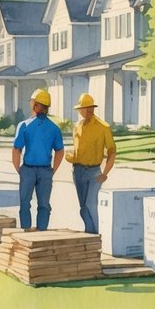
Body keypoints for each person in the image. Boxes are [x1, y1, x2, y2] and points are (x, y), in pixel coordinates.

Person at [12, 88, 64, 231]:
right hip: (46, 170)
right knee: (44, 204)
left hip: (27, 169)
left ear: (34, 105)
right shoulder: (54, 128)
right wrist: (53, 170)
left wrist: (18, 169)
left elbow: (16, 150)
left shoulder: (24, 125)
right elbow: (60, 151)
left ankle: (26, 231)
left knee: (24, 203)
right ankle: (41, 232)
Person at [66, 93, 116, 234]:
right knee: (83, 207)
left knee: (90, 204)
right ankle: (90, 233)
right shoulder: (77, 126)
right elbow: (78, 151)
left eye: (91, 108)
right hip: (78, 171)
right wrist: (70, 157)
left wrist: (105, 173)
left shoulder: (103, 127)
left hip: (94, 172)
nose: (88, 111)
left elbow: (112, 151)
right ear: (79, 110)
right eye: (85, 109)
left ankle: (95, 236)